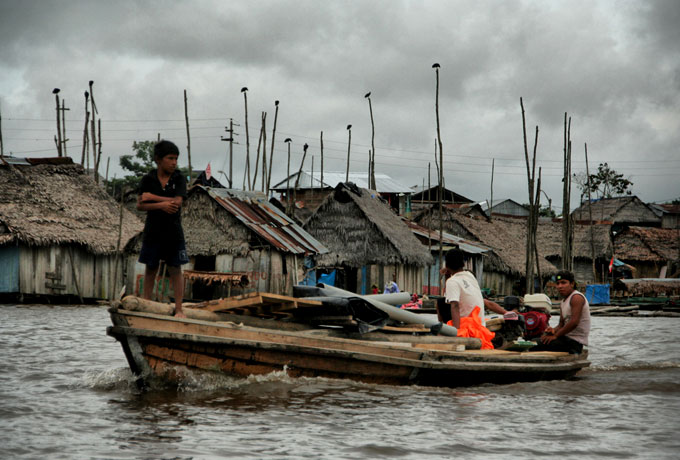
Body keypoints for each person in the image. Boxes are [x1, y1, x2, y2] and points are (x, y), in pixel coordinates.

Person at [137, 140, 189, 318]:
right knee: (151, 269)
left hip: (173, 232)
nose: (174, 162)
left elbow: (177, 203)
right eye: (170, 158)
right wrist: (161, 205)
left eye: (176, 159)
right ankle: (146, 304)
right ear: (158, 160)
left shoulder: (179, 178)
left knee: (175, 269)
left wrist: (153, 197)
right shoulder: (148, 179)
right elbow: (140, 205)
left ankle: (179, 309)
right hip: (153, 231)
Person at [439, 249, 507, 328]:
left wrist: (456, 332)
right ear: (464, 264)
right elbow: (448, 297)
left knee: (440, 302)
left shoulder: (452, 281)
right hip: (480, 326)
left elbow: (454, 305)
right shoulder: (470, 275)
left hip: (468, 328)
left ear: (447, 265)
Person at [533, 270, 590, 354]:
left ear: (572, 284)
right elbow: (561, 324)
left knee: (534, 344)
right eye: (558, 283)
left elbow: (574, 322)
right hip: (565, 339)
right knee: (536, 339)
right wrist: (553, 330)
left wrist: (556, 335)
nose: (560, 286)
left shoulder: (576, 298)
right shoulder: (563, 302)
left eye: (563, 283)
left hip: (574, 343)